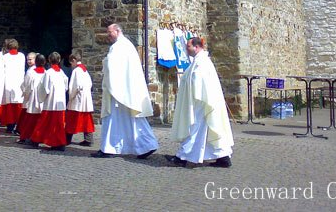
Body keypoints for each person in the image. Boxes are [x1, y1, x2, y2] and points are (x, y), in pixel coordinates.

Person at [92, 23, 159, 159]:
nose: (108, 35)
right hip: (125, 89)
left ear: (117, 31)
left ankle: (112, 148)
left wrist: (105, 62)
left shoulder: (119, 47)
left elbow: (112, 66)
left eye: (109, 32)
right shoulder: (126, 45)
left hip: (119, 90)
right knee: (130, 120)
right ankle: (144, 146)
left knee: (121, 119)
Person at [166, 37, 234, 168]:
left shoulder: (202, 62)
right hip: (204, 101)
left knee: (195, 128)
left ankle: (182, 157)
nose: (187, 50)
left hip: (201, 102)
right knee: (209, 130)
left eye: (188, 47)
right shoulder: (199, 61)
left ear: (196, 47)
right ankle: (223, 157)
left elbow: (198, 81)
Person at [30, 52, 68, 151]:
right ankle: (59, 142)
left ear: (49, 60)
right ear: (59, 60)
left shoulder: (49, 73)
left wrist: (41, 98)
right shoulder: (62, 73)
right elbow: (66, 86)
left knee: (44, 122)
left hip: (50, 102)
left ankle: (36, 140)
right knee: (58, 125)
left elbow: (44, 88)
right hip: (60, 103)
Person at [65, 52, 95, 146]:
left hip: (77, 99)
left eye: (71, 63)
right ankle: (88, 139)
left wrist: (70, 96)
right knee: (86, 120)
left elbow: (74, 86)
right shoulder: (84, 70)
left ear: (73, 60)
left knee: (71, 119)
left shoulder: (76, 71)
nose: (71, 65)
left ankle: (66, 139)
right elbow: (90, 84)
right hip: (86, 98)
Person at [17, 53, 46, 144]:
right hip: (42, 100)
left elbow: (26, 85)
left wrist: (26, 94)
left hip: (32, 99)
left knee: (29, 120)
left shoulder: (31, 72)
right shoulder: (46, 72)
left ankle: (25, 137)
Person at [0, 39, 26, 132]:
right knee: (18, 105)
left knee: (9, 107)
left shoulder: (4, 57)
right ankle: (18, 125)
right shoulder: (22, 56)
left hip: (8, 82)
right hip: (18, 82)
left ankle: (10, 126)